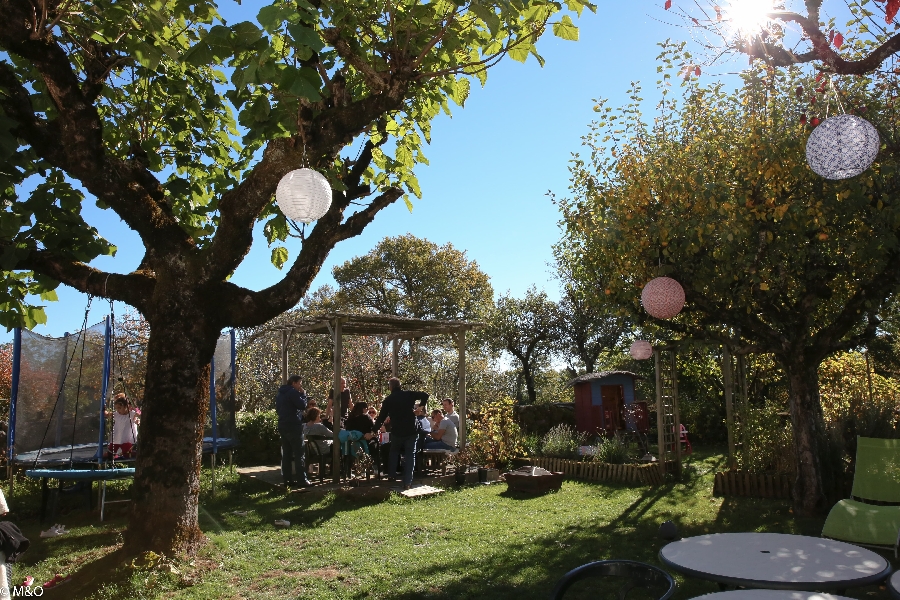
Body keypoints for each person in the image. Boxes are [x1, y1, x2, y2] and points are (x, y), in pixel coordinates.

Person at [373, 378, 429, 490]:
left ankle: (392, 476)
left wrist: (373, 430)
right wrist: (421, 407)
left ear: (390, 387)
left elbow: (381, 417)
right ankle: (407, 482)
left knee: (394, 452)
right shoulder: (409, 394)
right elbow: (425, 395)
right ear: (400, 385)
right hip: (411, 429)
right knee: (410, 455)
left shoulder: (388, 400)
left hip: (397, 431)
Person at [275, 375, 310, 489]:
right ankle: (302, 480)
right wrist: (303, 395)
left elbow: (278, 409)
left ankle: (287, 480)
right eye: (299, 383)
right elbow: (302, 405)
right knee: (299, 453)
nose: (300, 386)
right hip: (293, 425)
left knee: (287, 454)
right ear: (293, 383)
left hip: (283, 424)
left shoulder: (280, 393)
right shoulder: (293, 392)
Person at [106, 394, 139, 458]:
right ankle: (114, 456)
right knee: (110, 454)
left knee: (127, 454)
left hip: (127, 439)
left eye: (119, 408)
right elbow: (108, 415)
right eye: (116, 408)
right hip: (117, 437)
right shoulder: (117, 414)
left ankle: (134, 455)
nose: (118, 410)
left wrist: (137, 421)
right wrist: (104, 411)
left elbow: (138, 416)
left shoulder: (132, 414)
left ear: (126, 406)